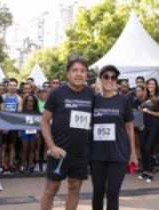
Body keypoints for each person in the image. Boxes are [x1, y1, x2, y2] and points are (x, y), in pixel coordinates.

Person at [40, 55, 94, 210]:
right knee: (51, 190)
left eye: (82, 71)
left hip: (81, 153)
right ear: (68, 74)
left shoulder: (90, 94)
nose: (78, 74)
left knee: (74, 189)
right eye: (75, 70)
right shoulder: (57, 93)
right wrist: (51, 146)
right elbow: (44, 121)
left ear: (86, 74)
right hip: (59, 151)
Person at [90, 65, 138, 210]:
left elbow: (129, 127)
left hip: (118, 155)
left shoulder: (124, 100)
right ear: (100, 79)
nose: (109, 80)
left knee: (112, 193)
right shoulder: (94, 100)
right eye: (106, 76)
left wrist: (133, 153)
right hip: (97, 155)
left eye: (113, 77)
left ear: (116, 80)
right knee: (98, 192)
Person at [138, 78, 159, 182]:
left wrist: (150, 112)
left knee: (149, 148)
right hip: (143, 126)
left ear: (156, 86)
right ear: (147, 85)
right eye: (149, 83)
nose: (151, 85)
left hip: (154, 126)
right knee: (143, 149)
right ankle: (144, 172)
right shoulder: (144, 97)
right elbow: (140, 112)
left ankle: (150, 173)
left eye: (153, 84)